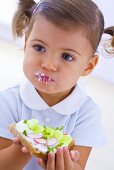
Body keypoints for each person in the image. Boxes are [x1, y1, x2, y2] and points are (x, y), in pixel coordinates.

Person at [0, 0, 107, 170]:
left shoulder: (87, 114)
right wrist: (26, 145)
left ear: (88, 66)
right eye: (39, 47)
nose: (48, 64)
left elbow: (79, 166)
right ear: (26, 43)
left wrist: (67, 165)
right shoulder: (8, 101)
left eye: (67, 57)